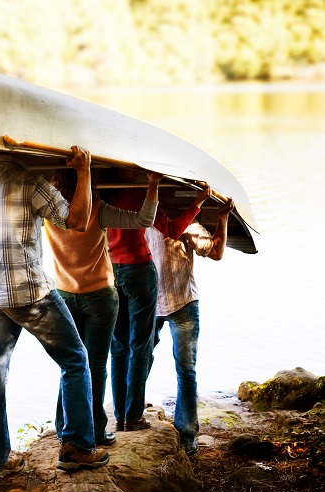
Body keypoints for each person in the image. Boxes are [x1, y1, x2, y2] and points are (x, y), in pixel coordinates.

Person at [0, 146, 110, 482]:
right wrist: (84, 171)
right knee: (75, 360)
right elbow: (78, 221)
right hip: (29, 294)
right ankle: (77, 447)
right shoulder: (31, 181)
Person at [44, 168, 162, 448]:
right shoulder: (97, 209)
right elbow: (144, 218)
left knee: (70, 363)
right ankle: (95, 430)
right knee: (95, 365)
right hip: (99, 296)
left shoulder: (48, 212)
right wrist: (154, 185)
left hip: (64, 294)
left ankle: (64, 427)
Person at [103, 176, 211, 433]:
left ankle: (119, 415)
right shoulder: (141, 191)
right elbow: (173, 230)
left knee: (118, 347)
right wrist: (196, 203)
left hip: (111, 270)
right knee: (140, 346)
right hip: (138, 270)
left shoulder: (102, 192)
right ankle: (133, 416)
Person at [145, 196, 235, 455]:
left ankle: (180, 432)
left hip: (172, 301)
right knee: (182, 370)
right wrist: (222, 215)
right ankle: (183, 436)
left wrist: (222, 216)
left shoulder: (143, 218)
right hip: (159, 302)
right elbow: (217, 252)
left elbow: (215, 252)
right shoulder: (176, 220)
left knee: (146, 361)